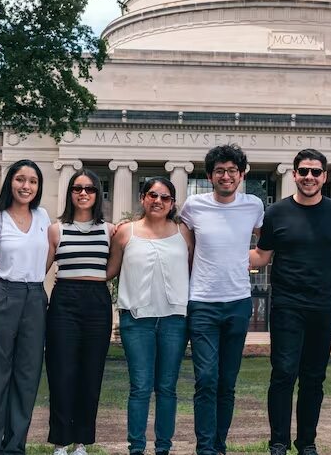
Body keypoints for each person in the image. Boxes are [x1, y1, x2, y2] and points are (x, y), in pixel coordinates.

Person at [249, 149, 331, 455]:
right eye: (303, 171)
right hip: (285, 306)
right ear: (294, 174)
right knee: (283, 373)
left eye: (315, 172)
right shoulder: (276, 213)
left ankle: (307, 443)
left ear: (325, 176)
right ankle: (278, 442)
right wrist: (219, 250)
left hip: (323, 307)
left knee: (314, 377)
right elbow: (263, 256)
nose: (309, 177)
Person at [180, 144, 265, 455]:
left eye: (232, 171)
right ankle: (205, 447)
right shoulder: (193, 206)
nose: (226, 176)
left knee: (227, 381)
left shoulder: (253, 205)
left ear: (241, 175)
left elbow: (265, 248)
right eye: (220, 171)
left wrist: (249, 259)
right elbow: (183, 248)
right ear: (210, 176)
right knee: (206, 378)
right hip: (201, 302)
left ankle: (219, 445)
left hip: (238, 302)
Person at [0, 159, 54, 455]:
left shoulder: (43, 217)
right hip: (2, 296)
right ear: (10, 182)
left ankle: (15, 447)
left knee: (27, 376)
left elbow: (50, 254)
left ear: (38, 187)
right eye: (21, 179)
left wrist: (31, 273)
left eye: (32, 181)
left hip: (35, 299)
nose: (26, 186)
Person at [114, 177, 194, 455]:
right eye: (152, 195)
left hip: (174, 319)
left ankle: (163, 448)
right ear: (142, 198)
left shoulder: (184, 232)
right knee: (140, 387)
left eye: (165, 197)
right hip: (136, 320)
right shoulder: (125, 232)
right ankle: (136, 448)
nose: (158, 201)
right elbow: (109, 271)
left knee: (167, 388)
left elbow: (197, 269)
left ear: (172, 203)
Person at [46, 169, 117, 455]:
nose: (83, 193)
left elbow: (112, 268)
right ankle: (61, 442)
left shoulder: (109, 230)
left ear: (98, 194)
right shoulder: (56, 229)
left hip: (97, 301)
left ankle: (81, 443)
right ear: (70, 193)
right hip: (64, 300)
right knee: (61, 372)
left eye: (89, 188)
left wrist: (98, 281)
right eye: (77, 188)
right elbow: (40, 267)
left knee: (91, 374)